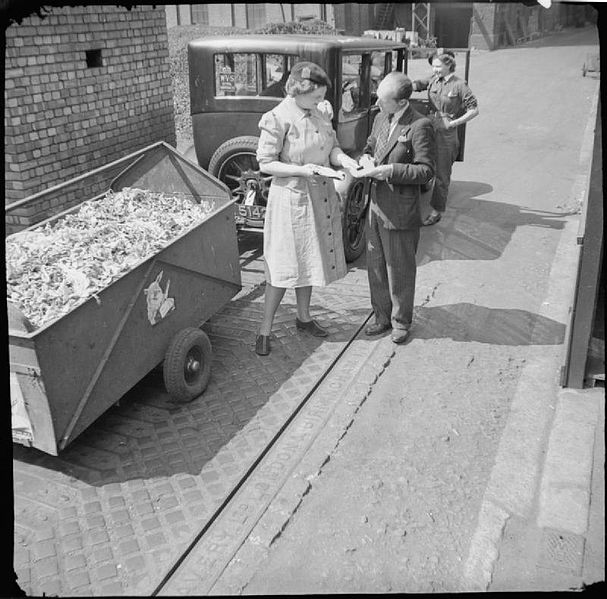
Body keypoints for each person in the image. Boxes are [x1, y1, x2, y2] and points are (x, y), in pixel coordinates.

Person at [255, 61, 359, 356]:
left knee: (309, 260)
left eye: (321, 98)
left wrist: (344, 161)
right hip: (291, 199)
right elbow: (265, 163)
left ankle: (304, 317)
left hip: (319, 196)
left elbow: (332, 146)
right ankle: (264, 329)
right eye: (315, 97)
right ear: (298, 91)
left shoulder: (321, 112)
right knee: (284, 264)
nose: (320, 102)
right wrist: (303, 171)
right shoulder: (277, 118)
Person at [355, 71, 435, 344]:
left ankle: (401, 322)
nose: (378, 105)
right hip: (375, 207)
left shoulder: (420, 126)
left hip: (400, 211)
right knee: (375, 266)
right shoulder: (380, 117)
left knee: (399, 268)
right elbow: (370, 145)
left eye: (383, 101)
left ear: (401, 103)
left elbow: (425, 171)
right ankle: (381, 317)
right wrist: (365, 159)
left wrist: (391, 170)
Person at [412, 51, 479, 226]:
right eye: (433, 66)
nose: (435, 69)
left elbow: (474, 110)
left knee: (442, 175)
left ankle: (436, 211)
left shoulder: (459, 85)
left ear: (449, 65)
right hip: (428, 128)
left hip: (446, 134)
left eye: (438, 66)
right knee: (420, 162)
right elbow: (417, 84)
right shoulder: (433, 80)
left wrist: (454, 123)